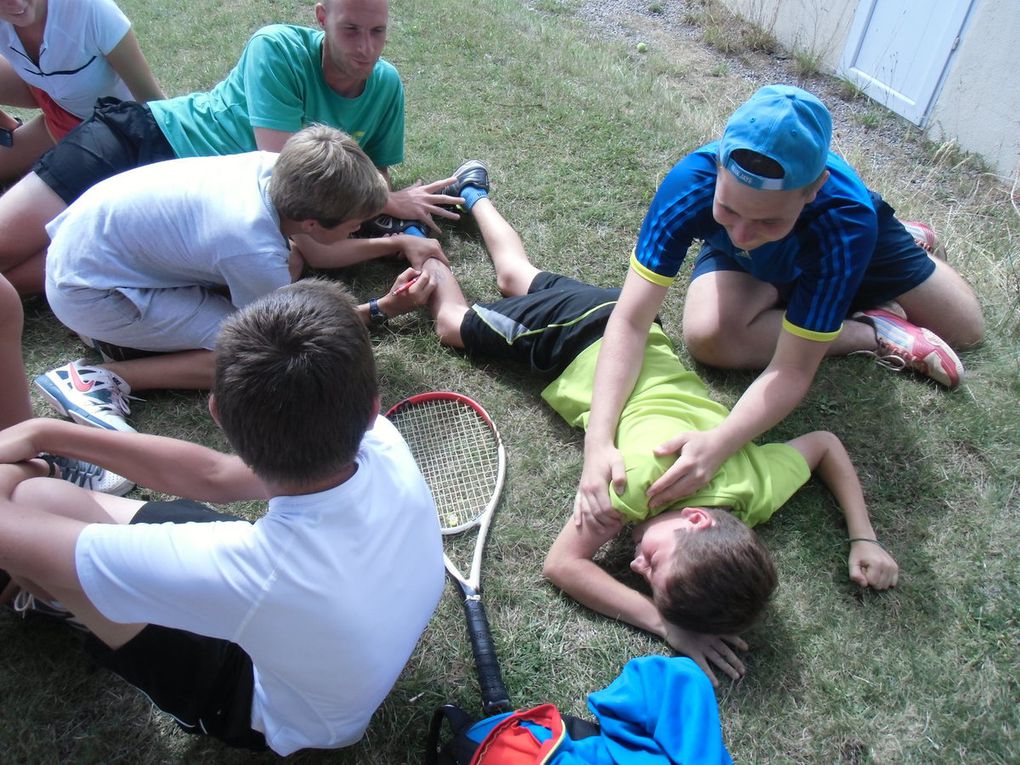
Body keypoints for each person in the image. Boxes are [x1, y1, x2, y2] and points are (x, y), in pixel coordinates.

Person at [412, 163, 898, 684]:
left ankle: (472, 192)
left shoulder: (754, 485)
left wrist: (863, 536)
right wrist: (663, 625)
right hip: (572, 340)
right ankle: (421, 246)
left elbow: (824, 445)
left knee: (515, 276)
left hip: (634, 326)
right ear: (696, 520)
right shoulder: (637, 484)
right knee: (451, 325)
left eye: (646, 581)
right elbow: (563, 566)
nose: (636, 568)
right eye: (655, 565)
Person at [0, 278, 445, 755]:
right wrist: (47, 433)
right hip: (317, 635)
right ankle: (57, 581)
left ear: (215, 413)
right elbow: (214, 475)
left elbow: (16, 530)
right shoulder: (381, 440)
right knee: (42, 503)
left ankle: (48, 597)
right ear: (373, 408)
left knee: (32, 506)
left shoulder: (250, 567)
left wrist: (33, 463)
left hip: (272, 712)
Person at [575, 84, 984, 527]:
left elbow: (791, 370)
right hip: (754, 266)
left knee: (965, 328)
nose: (742, 234)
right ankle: (874, 330)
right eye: (728, 209)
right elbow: (631, 319)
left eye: (767, 218)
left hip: (840, 244)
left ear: (813, 188)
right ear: (718, 168)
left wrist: (720, 443)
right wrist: (599, 441)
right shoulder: (690, 185)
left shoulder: (844, 219)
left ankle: (897, 244)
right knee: (710, 338)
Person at [0, 0, 456, 294]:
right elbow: (292, 189)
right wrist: (391, 220)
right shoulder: (276, 49)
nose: (365, 49)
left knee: (58, 271)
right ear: (321, 17)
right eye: (350, 29)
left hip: (189, 206)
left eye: (377, 32)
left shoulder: (386, 85)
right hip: (142, 140)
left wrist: (386, 208)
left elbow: (368, 182)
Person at [34, 124, 434, 432]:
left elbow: (312, 249)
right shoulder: (252, 247)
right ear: (311, 220)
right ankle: (105, 376)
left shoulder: (274, 168)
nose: (360, 229)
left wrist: (393, 242)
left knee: (291, 265)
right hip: (87, 291)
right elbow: (289, 332)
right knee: (257, 357)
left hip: (83, 249)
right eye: (357, 223)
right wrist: (383, 308)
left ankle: (122, 338)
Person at [0, 0, 163, 185]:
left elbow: (154, 104)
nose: (16, 3)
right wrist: (7, 129)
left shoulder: (89, 9)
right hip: (48, 99)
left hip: (106, 129)